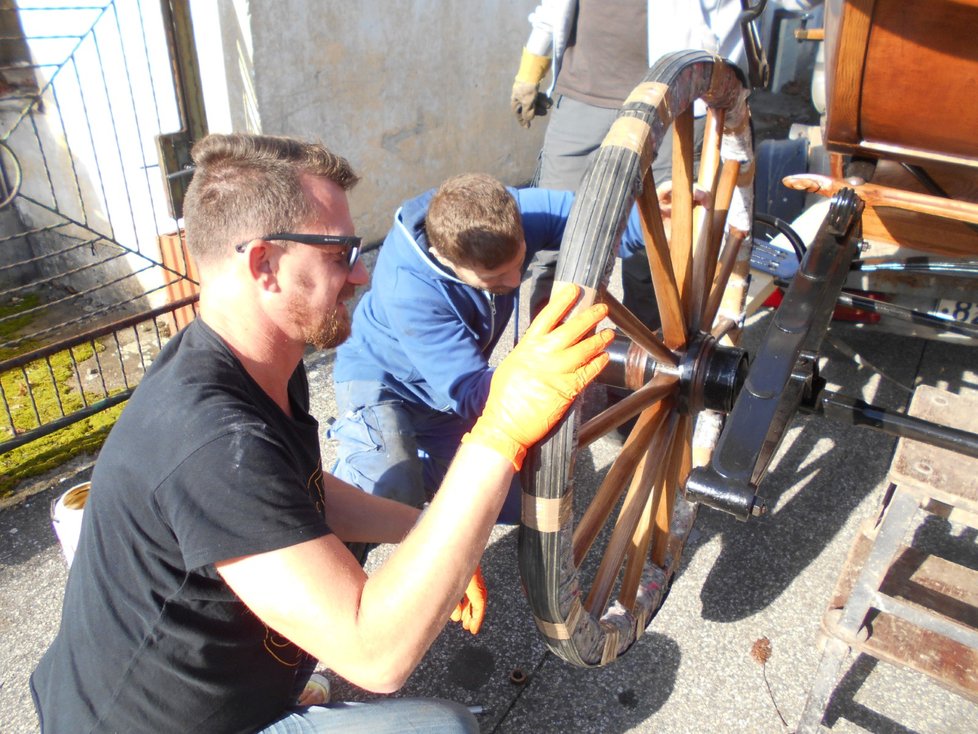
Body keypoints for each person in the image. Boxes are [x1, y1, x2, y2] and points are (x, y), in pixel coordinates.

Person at [29, 134, 614, 734]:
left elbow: (296, 490)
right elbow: (375, 656)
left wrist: (419, 532)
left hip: (184, 695)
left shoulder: (250, 365)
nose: (362, 273)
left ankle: (283, 691)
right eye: (339, 254)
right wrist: (502, 428)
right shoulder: (207, 440)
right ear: (263, 265)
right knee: (446, 730)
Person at [330, 172, 645, 525]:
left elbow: (599, 223)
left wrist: (657, 223)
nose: (513, 282)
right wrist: (546, 381)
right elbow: (471, 390)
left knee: (516, 502)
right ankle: (361, 476)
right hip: (385, 383)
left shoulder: (509, 215)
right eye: (494, 280)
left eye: (519, 264)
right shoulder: (411, 292)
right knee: (387, 492)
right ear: (444, 257)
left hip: (444, 396)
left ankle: (422, 468)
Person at [510, 0, 821, 322]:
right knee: (554, 242)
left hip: (678, 98)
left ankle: (647, 359)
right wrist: (530, 69)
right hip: (581, 96)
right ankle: (550, 358)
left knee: (656, 250)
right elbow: (552, 8)